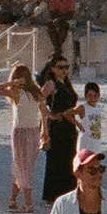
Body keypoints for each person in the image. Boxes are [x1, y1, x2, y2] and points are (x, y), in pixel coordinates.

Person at [0, 61, 43, 212]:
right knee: (21, 166)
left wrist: (11, 83)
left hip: (22, 132)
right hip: (32, 131)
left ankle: (28, 204)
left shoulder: (21, 93)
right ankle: (12, 200)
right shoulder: (34, 92)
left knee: (22, 167)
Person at [38, 56, 81, 206]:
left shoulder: (66, 83)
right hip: (57, 125)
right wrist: (49, 116)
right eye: (60, 67)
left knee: (69, 157)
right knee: (57, 160)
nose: (64, 70)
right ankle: (53, 195)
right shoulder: (51, 83)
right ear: (52, 69)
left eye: (66, 67)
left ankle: (68, 192)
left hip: (69, 125)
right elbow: (39, 100)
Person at [43, 0, 79, 72]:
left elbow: (70, 14)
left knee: (64, 26)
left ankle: (57, 50)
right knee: (49, 24)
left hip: (68, 20)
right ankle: (58, 49)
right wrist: (58, 17)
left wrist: (61, 17)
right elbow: (52, 13)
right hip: (59, 18)